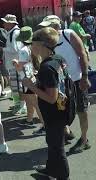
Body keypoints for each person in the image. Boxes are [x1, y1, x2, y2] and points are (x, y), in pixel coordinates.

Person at [22, 27, 70, 180]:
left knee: (57, 147)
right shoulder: (58, 58)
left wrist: (31, 87)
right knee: (52, 142)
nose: (31, 47)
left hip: (54, 113)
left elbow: (51, 98)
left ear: (42, 45)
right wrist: (40, 79)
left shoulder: (47, 67)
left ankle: (63, 176)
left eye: (33, 44)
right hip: (61, 110)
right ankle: (50, 169)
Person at [39, 15, 91, 153]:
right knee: (62, 109)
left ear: (56, 25)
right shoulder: (48, 41)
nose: (45, 29)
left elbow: (82, 54)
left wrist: (85, 77)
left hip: (77, 80)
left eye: (48, 26)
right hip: (62, 83)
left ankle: (84, 140)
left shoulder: (69, 34)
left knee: (81, 110)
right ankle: (67, 132)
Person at [12, 26, 45, 134]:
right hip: (34, 77)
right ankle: (29, 120)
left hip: (27, 79)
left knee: (35, 103)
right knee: (29, 100)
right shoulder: (34, 47)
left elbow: (20, 67)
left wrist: (15, 62)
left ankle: (45, 125)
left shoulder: (23, 50)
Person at [1, 14, 26, 115]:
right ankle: (19, 104)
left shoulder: (14, 34)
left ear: (10, 23)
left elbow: (16, 49)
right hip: (13, 64)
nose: (3, 24)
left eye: (5, 22)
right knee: (15, 87)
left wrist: (3, 49)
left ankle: (22, 106)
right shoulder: (11, 33)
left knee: (18, 87)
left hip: (15, 65)